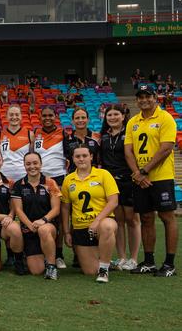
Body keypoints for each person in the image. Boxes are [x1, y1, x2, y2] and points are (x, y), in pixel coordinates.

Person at [125, 85, 178, 277]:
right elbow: (128, 150)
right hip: (140, 178)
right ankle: (148, 261)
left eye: (148, 96)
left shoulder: (165, 118)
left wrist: (144, 171)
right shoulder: (133, 121)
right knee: (146, 218)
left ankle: (169, 263)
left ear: (155, 97)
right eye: (140, 97)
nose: (144, 100)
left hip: (161, 177)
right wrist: (138, 174)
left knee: (166, 218)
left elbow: (166, 148)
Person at [61, 146, 118, 283]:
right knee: (90, 272)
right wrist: (67, 232)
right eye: (77, 156)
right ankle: (106, 260)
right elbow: (65, 208)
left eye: (84, 156)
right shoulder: (68, 179)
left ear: (91, 157)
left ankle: (104, 269)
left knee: (108, 227)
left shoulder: (103, 174)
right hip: (80, 228)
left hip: (101, 223)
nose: (81, 159)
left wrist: (97, 221)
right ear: (73, 159)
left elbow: (113, 201)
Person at [100, 104, 140, 271]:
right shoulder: (103, 137)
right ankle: (122, 257)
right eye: (109, 115)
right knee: (119, 220)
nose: (113, 117)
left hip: (129, 180)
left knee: (132, 219)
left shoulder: (130, 134)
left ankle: (134, 258)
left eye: (116, 114)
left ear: (123, 116)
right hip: (111, 184)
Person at [11, 152, 61, 279]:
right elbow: (18, 210)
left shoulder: (50, 183)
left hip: (47, 226)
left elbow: (56, 209)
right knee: (36, 270)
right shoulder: (18, 185)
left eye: (35, 163)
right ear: (24, 165)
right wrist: (30, 225)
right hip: (29, 229)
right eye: (28, 164)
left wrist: (43, 220)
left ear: (41, 164)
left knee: (44, 230)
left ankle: (51, 267)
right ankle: (33, 255)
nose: (32, 166)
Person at [33, 106, 68, 269]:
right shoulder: (35, 133)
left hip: (59, 178)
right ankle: (42, 251)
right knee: (42, 214)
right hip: (41, 179)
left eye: (50, 115)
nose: (47, 118)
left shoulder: (63, 134)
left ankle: (59, 254)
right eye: (44, 115)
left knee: (59, 218)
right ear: (40, 117)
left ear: (55, 117)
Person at [0, 105, 34, 182]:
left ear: (21, 116)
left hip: (23, 176)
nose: (14, 117)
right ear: (6, 117)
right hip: (4, 176)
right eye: (11, 115)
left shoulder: (30, 134)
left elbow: (32, 156)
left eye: (17, 114)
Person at [64, 107, 100, 174]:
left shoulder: (97, 137)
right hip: (73, 176)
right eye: (77, 118)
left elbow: (100, 159)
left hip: (94, 176)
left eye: (83, 117)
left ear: (88, 120)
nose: (80, 120)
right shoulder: (66, 139)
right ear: (72, 121)